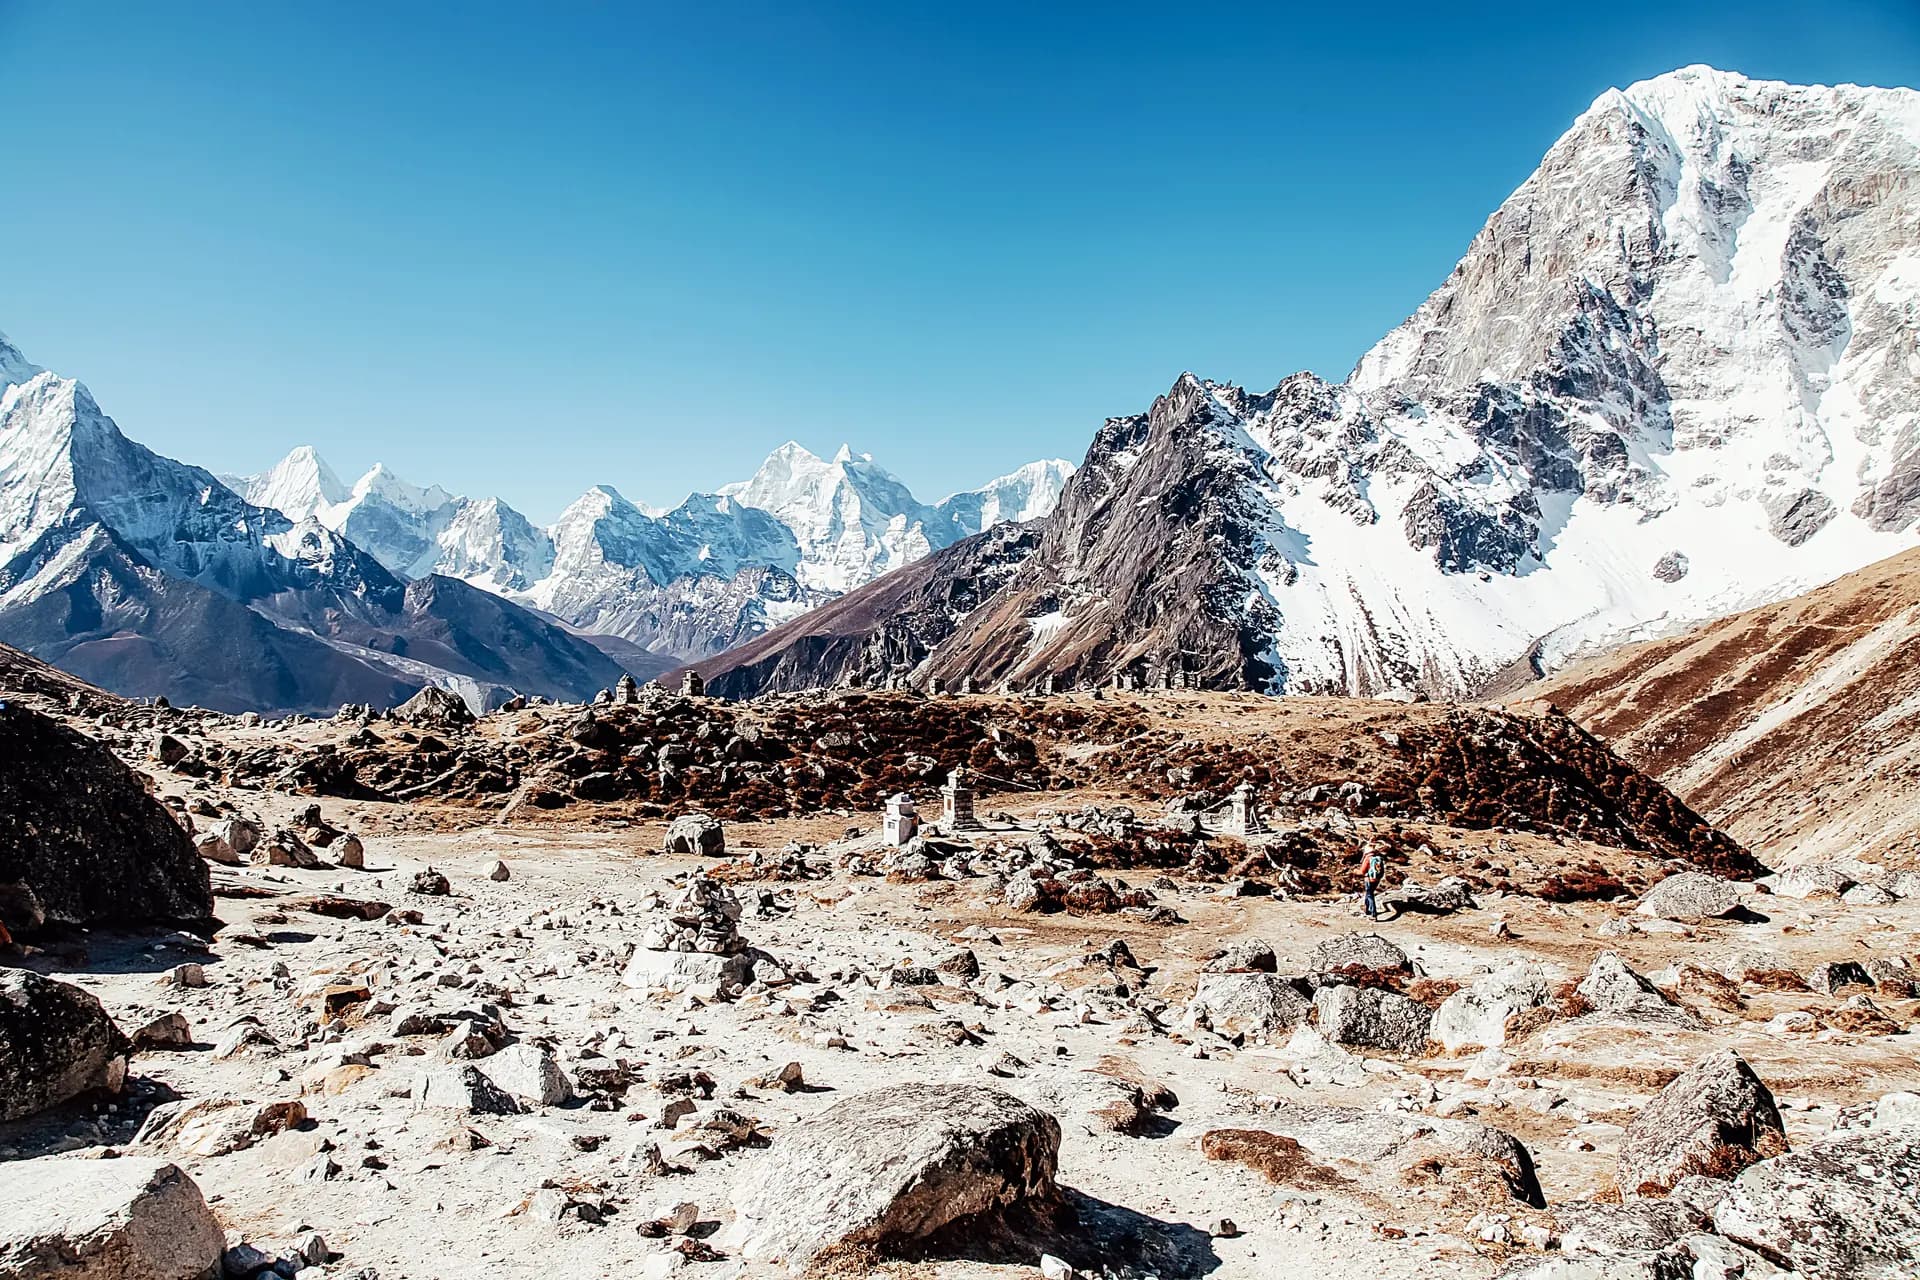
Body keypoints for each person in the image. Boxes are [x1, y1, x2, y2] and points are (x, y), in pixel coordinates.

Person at [1358, 842, 1386, 920]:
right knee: (1369, 893)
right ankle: (1366, 909)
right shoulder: (1378, 857)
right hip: (1377, 879)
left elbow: (1362, 872)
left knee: (1370, 895)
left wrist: (1355, 871)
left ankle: (1373, 914)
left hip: (1369, 879)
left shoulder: (1368, 858)